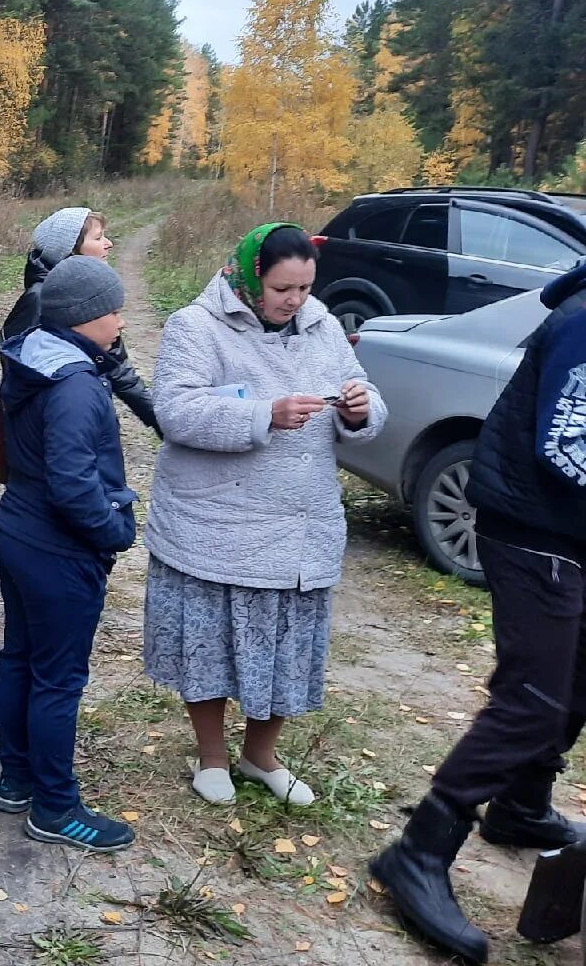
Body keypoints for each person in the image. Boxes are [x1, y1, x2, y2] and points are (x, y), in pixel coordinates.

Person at [370, 258, 586, 965]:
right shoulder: (584, 322)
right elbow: (565, 444)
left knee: (575, 680)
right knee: (530, 699)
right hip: (534, 530)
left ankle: (521, 807)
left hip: (571, 532)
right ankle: (419, 850)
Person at [143, 224, 384, 807]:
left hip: (301, 524)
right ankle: (212, 757)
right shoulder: (196, 327)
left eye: (304, 287)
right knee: (211, 643)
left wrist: (359, 408)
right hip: (219, 523)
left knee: (287, 646)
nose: (294, 300)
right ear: (252, 277)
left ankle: (260, 756)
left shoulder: (322, 327)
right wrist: (264, 417)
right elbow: (175, 411)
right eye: (282, 288)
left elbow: (366, 398)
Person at [0, 254, 138, 850]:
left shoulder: (33, 357)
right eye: (113, 309)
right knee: (57, 679)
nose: (122, 320)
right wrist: (113, 532)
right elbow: (74, 482)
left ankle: (17, 778)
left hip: (16, 529)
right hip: (57, 548)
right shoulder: (76, 386)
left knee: (21, 658)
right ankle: (55, 808)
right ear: (84, 318)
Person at [0, 206, 156, 431]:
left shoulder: (88, 289)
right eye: (98, 238)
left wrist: (163, 422)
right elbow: (16, 372)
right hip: (52, 427)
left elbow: (115, 365)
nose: (108, 243)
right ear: (70, 251)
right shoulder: (38, 299)